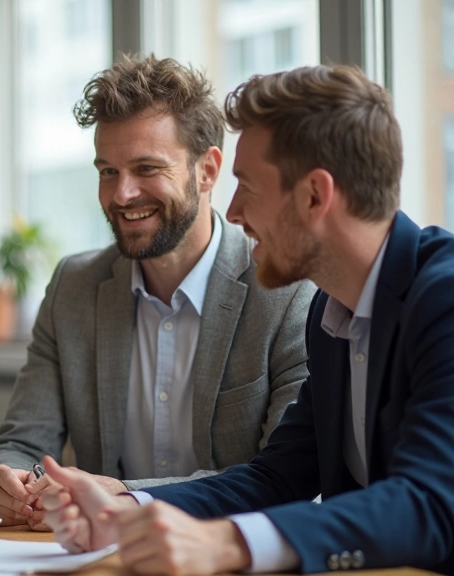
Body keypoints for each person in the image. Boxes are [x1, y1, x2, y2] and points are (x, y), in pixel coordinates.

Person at [41, 64, 454, 575]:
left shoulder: (444, 299)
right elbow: (277, 479)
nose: (232, 212)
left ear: (314, 196)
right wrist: (126, 511)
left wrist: (227, 544)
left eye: (248, 187)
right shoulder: (332, 312)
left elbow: (432, 505)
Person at [0, 55, 315, 529]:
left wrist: (126, 497)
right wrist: (7, 479)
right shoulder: (73, 288)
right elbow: (23, 440)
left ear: (208, 170)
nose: (121, 195)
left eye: (146, 168)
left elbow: (287, 482)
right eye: (107, 171)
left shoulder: (286, 293)